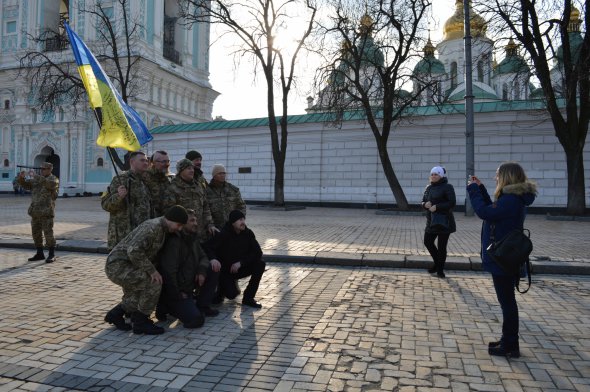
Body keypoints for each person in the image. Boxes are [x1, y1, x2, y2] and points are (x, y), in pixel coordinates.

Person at [467, 162, 537, 358]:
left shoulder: (511, 200)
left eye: (498, 174)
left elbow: (485, 212)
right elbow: (493, 209)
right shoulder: (511, 198)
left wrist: (473, 191)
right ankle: (507, 340)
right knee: (507, 301)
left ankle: (510, 345)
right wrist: (481, 189)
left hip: (503, 258)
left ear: (506, 176)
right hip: (506, 255)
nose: (495, 178)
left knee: (507, 303)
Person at [104, 205, 188, 335]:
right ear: (170, 219)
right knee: (154, 283)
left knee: (141, 294)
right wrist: (152, 271)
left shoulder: (162, 228)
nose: (180, 228)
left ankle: (115, 315)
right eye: (179, 225)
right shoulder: (153, 228)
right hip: (117, 266)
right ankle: (141, 323)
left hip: (128, 265)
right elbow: (133, 251)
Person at [156, 209, 221, 328]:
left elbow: (203, 257)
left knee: (212, 268)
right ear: (182, 224)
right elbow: (169, 273)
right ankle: (166, 306)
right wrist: (178, 294)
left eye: (196, 220)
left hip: (188, 287)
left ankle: (202, 305)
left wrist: (201, 271)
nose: (196, 223)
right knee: (196, 320)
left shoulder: (192, 238)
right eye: (192, 221)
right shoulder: (174, 242)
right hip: (176, 292)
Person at [205, 210, 265, 308]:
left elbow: (258, 253)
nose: (243, 222)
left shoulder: (248, 233)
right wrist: (213, 259)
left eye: (243, 219)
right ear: (233, 222)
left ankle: (248, 298)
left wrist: (241, 263)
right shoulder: (223, 234)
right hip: (225, 271)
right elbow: (207, 247)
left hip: (240, 267)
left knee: (260, 264)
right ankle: (221, 292)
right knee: (231, 295)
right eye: (240, 220)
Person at [101, 151, 151, 250]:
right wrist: (119, 196)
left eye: (146, 160)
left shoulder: (145, 181)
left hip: (141, 235)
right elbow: (105, 204)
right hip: (123, 236)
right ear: (132, 162)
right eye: (142, 160)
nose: (145, 163)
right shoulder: (121, 179)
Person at [163, 158, 217, 241]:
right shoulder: (173, 188)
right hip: (183, 235)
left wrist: (210, 224)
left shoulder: (198, 186)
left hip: (200, 233)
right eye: (188, 168)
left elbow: (206, 207)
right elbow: (169, 212)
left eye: (192, 168)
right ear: (181, 171)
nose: (192, 170)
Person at [17, 163, 59, 263]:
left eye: (44, 169)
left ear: (49, 169)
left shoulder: (53, 179)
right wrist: (21, 178)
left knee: (48, 234)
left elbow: (50, 185)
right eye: (41, 169)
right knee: (36, 234)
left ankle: (51, 254)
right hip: (35, 212)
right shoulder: (36, 179)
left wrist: (35, 176)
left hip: (46, 212)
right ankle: (40, 253)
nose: (42, 171)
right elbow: (26, 185)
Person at [421, 166, 456, 278]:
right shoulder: (428, 187)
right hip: (431, 221)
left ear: (441, 175)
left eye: (436, 174)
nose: (433, 176)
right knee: (428, 242)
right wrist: (424, 205)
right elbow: (423, 200)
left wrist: (437, 207)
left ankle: (440, 270)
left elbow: (452, 202)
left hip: (444, 221)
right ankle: (437, 264)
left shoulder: (447, 187)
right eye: (432, 174)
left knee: (442, 247)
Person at [206, 164, 247, 228]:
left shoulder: (233, 190)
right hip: (215, 228)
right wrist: (210, 224)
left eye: (224, 173)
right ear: (214, 176)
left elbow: (241, 206)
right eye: (219, 173)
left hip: (232, 227)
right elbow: (205, 210)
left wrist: (239, 220)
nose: (222, 175)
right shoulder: (207, 191)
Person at [143, 150, 173, 218]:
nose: (167, 164)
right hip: (150, 220)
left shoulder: (168, 178)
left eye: (168, 161)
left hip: (165, 218)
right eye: (164, 162)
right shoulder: (145, 177)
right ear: (154, 163)